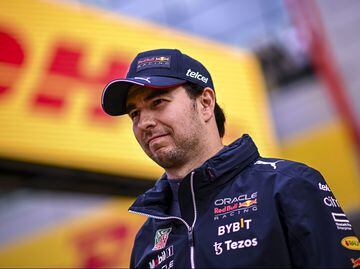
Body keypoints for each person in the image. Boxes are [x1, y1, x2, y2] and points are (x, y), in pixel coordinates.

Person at [101, 49, 360, 268]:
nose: (144, 122)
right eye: (134, 114)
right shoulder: (147, 238)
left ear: (205, 103)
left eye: (158, 102)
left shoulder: (287, 185)